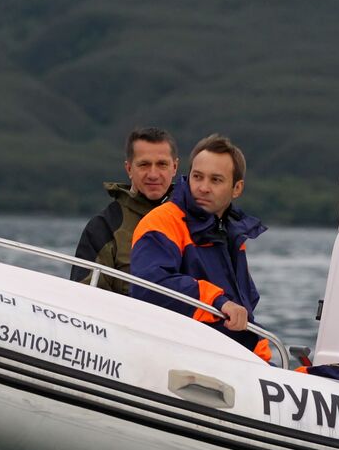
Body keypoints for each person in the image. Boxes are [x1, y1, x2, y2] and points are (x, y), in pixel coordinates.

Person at [130, 133, 270, 360]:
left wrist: (263, 360)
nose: (203, 187)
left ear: (237, 188)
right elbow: (150, 287)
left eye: (215, 180)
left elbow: (243, 313)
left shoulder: (232, 236)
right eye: (197, 177)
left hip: (223, 358)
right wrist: (218, 301)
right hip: (176, 354)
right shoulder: (163, 221)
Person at [70, 128, 179, 294]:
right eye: (144, 165)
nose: (153, 174)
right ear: (129, 169)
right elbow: (83, 296)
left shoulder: (197, 220)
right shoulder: (104, 226)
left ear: (175, 167)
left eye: (162, 164)